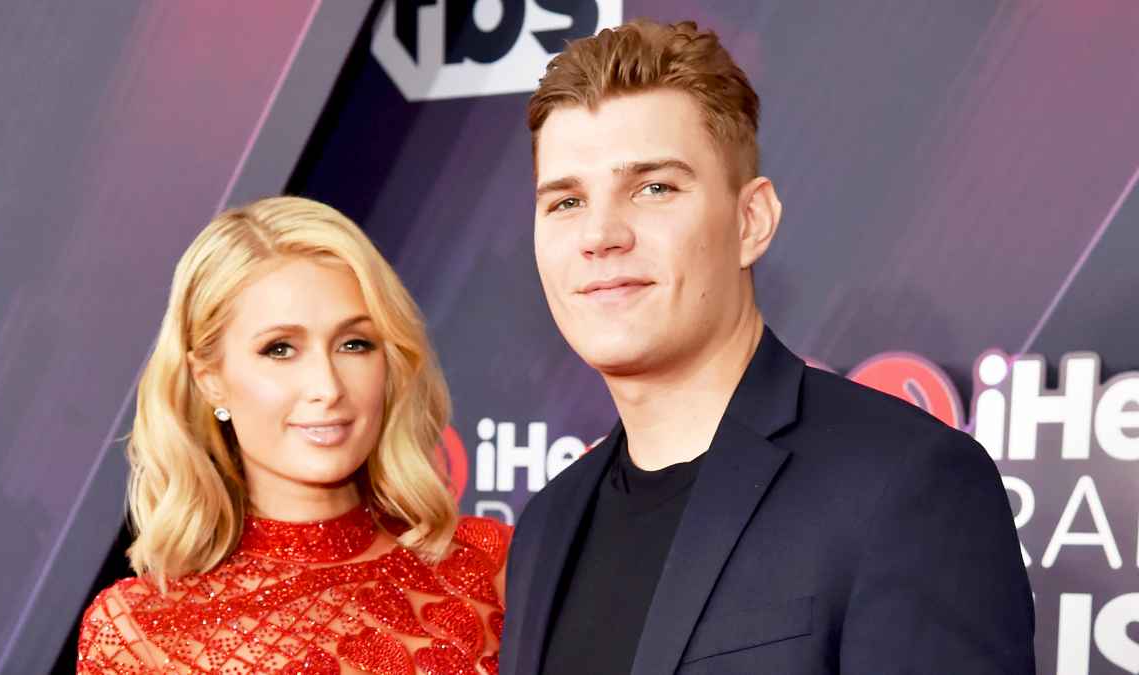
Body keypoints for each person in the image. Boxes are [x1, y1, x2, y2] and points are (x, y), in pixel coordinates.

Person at [500, 19, 1034, 675]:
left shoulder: (906, 486)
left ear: (752, 221)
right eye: (565, 201)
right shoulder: (544, 528)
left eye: (653, 187)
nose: (600, 234)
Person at [78, 196, 510, 674]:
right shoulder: (141, 631)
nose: (327, 387)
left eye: (354, 344)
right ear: (210, 378)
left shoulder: (494, 566)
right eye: (280, 349)